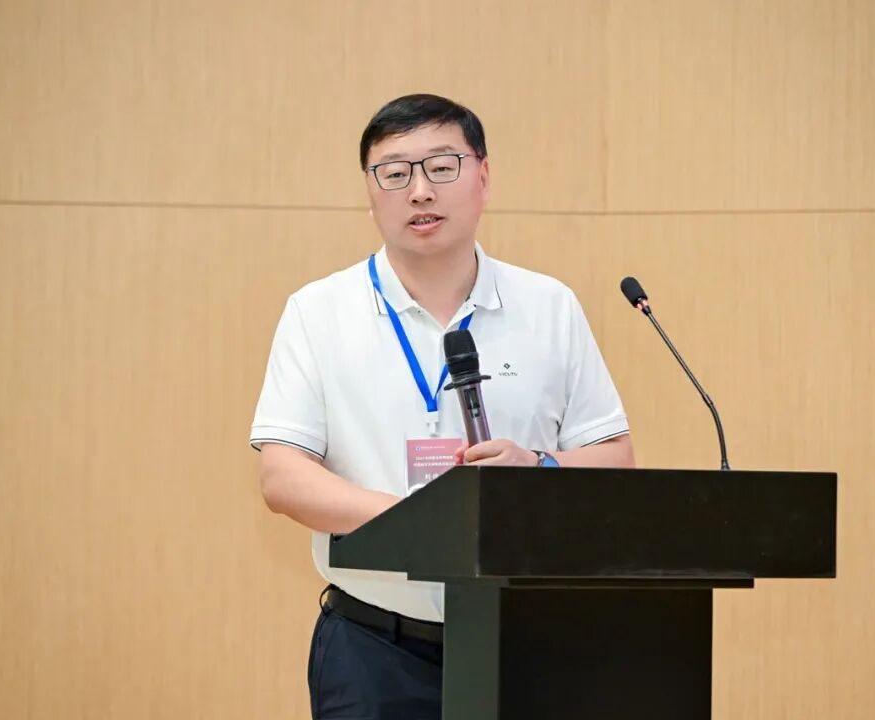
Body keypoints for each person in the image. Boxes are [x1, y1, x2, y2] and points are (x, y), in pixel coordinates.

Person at [250, 93, 634, 720]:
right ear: (370, 192)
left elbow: (615, 459)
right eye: (394, 172)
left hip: (530, 640)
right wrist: (416, 523)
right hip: (373, 649)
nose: (420, 191)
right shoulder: (318, 312)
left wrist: (538, 466)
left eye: (442, 166)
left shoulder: (549, 306)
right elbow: (282, 476)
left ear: (483, 177)